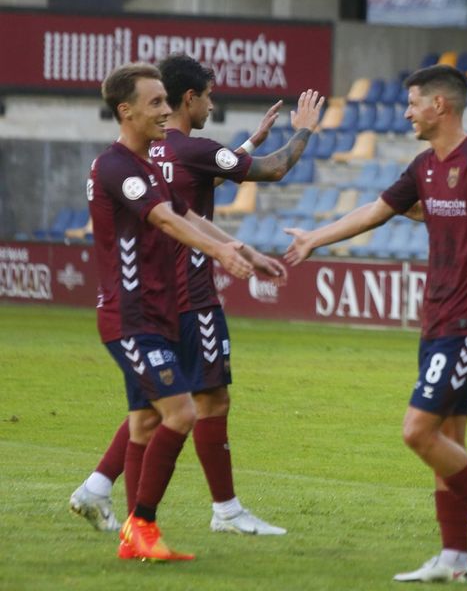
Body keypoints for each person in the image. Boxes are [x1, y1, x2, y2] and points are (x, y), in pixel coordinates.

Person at [283, 65, 467, 584]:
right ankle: (454, 555)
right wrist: (314, 238)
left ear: (441, 105)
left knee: (417, 431)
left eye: (414, 103)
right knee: (448, 434)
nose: (407, 111)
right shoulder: (423, 165)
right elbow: (376, 210)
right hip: (436, 317)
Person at [70, 55, 321, 539]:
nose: (165, 108)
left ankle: (112, 501)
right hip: (162, 305)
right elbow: (176, 213)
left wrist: (240, 248)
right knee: (197, 405)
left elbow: (189, 202)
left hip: (161, 306)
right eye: (156, 101)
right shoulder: (126, 164)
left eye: (166, 99)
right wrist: (304, 132)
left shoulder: (155, 160)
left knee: (150, 415)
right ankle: (206, 512)